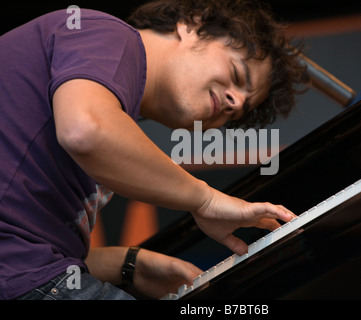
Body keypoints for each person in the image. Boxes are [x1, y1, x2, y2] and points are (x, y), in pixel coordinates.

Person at [0, 0, 306, 300]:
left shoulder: (110, 106)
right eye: (237, 75)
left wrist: (130, 264)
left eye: (237, 113)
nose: (235, 102)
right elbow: (85, 130)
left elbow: (29, 245)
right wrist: (205, 199)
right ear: (193, 25)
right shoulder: (108, 35)